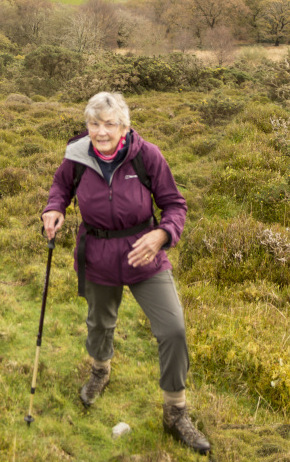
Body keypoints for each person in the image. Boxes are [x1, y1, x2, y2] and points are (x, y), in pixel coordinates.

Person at [41, 92, 210, 454]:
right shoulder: (76, 155)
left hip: (143, 253)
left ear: (124, 127)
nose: (101, 132)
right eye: (94, 124)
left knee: (174, 328)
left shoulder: (148, 155)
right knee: (100, 323)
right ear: (86, 125)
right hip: (98, 255)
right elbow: (61, 187)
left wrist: (162, 234)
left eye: (109, 124)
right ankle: (100, 371)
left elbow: (174, 204)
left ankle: (175, 411)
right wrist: (54, 209)